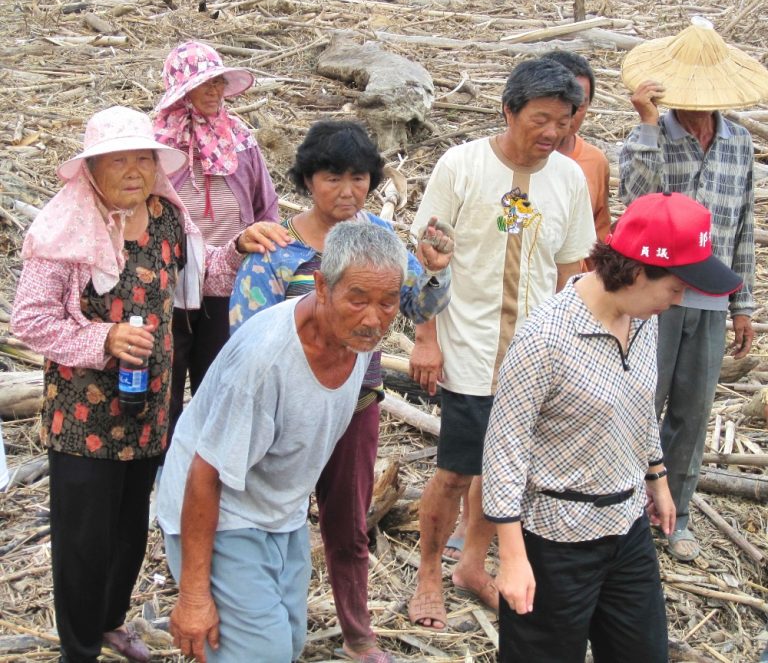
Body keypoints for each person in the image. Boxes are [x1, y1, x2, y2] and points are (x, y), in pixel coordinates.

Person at [11, 106, 274, 663]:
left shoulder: (165, 220)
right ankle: (78, 649)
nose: (134, 171)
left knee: (131, 530)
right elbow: (30, 320)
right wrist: (103, 339)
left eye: (143, 159)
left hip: (150, 405)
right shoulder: (65, 231)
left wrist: (239, 247)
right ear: (92, 170)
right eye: (119, 161)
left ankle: (109, 623)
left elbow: (203, 280)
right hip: (83, 416)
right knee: (83, 540)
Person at [483, 191, 742, 663]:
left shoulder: (644, 320)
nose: (680, 299)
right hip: (556, 538)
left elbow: (639, 405)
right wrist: (513, 557)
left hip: (627, 527)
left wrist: (657, 476)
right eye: (677, 287)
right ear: (639, 272)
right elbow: (504, 449)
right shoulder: (545, 338)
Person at [229, 119, 453, 662]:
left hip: (355, 403)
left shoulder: (380, 238)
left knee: (348, 522)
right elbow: (245, 334)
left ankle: (358, 633)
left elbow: (417, 307)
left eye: (359, 177)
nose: (348, 190)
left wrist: (434, 271)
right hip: (281, 412)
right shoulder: (278, 247)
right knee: (265, 514)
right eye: (333, 176)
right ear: (308, 179)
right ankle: (259, 616)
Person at [157, 222, 411, 663]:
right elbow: (205, 472)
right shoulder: (265, 362)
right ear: (322, 287)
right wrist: (194, 597)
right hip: (221, 514)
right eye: (358, 300)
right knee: (262, 654)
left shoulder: (360, 338)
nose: (374, 318)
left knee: (287, 645)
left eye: (388, 302)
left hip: (280, 512)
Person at [408, 58, 596, 629]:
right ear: (508, 110)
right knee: (456, 470)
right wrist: (425, 338)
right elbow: (427, 261)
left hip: (534, 356)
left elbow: (570, 276)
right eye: (540, 118)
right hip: (468, 348)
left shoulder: (567, 179)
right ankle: (429, 573)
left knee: (508, 472)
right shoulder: (461, 166)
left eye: (563, 121)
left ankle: (473, 565)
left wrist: (572, 350)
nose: (551, 132)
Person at [619, 17, 768, 561]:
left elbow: (743, 224)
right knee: (641, 401)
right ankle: (626, 506)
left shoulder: (738, 143)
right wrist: (648, 124)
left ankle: (673, 514)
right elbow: (636, 198)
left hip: (711, 295)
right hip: (653, 293)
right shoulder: (652, 133)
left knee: (692, 409)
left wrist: (743, 305)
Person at [153, 40, 287, 448]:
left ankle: (208, 472)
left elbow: (266, 205)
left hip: (231, 279)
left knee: (221, 379)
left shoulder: (239, 139)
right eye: (204, 84)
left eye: (218, 83)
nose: (214, 91)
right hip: (170, 282)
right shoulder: (157, 145)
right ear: (181, 90)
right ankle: (164, 471)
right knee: (166, 385)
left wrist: (269, 261)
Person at [542, 50, 612, 241]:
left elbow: (599, 233)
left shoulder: (595, 161)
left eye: (579, 104)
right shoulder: (511, 159)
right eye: (563, 102)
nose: (570, 113)